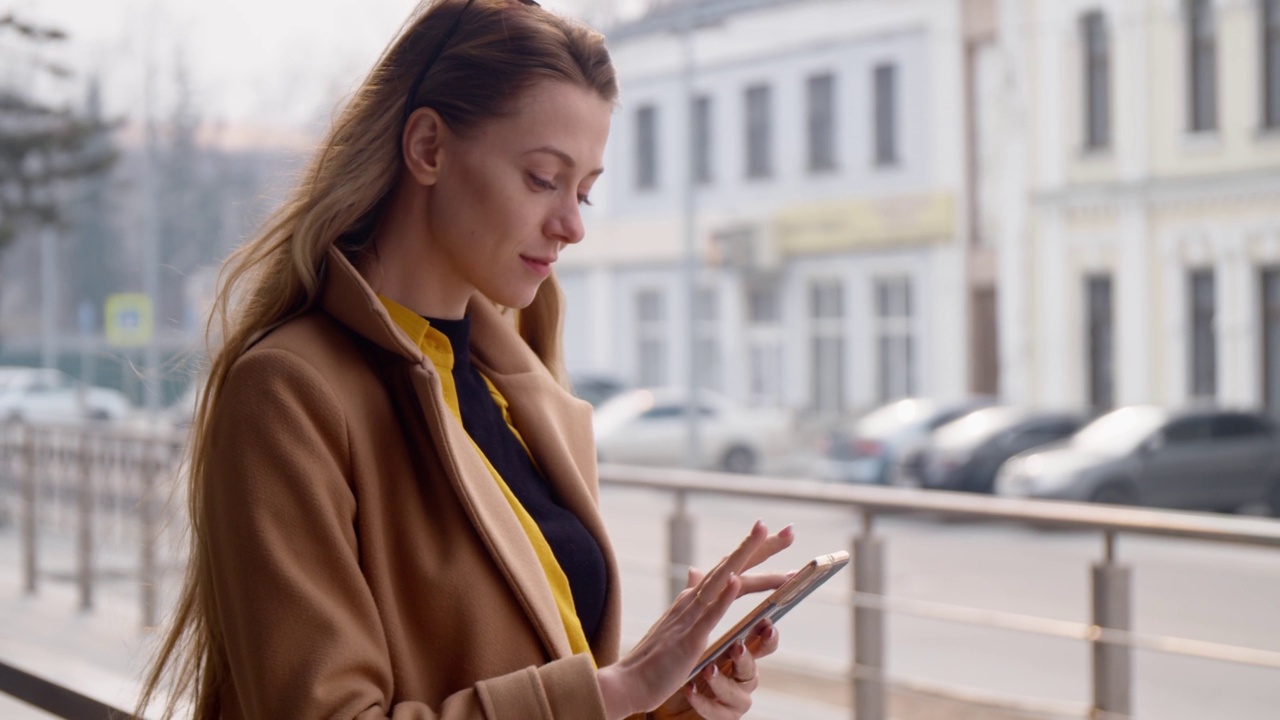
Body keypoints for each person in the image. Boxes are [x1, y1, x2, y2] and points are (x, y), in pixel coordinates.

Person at [136, 0, 798, 718]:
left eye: (585, 191)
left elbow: (554, 690)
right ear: (428, 147)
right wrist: (613, 692)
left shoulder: (523, 395)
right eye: (544, 178)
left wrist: (668, 699)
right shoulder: (291, 392)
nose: (572, 224)